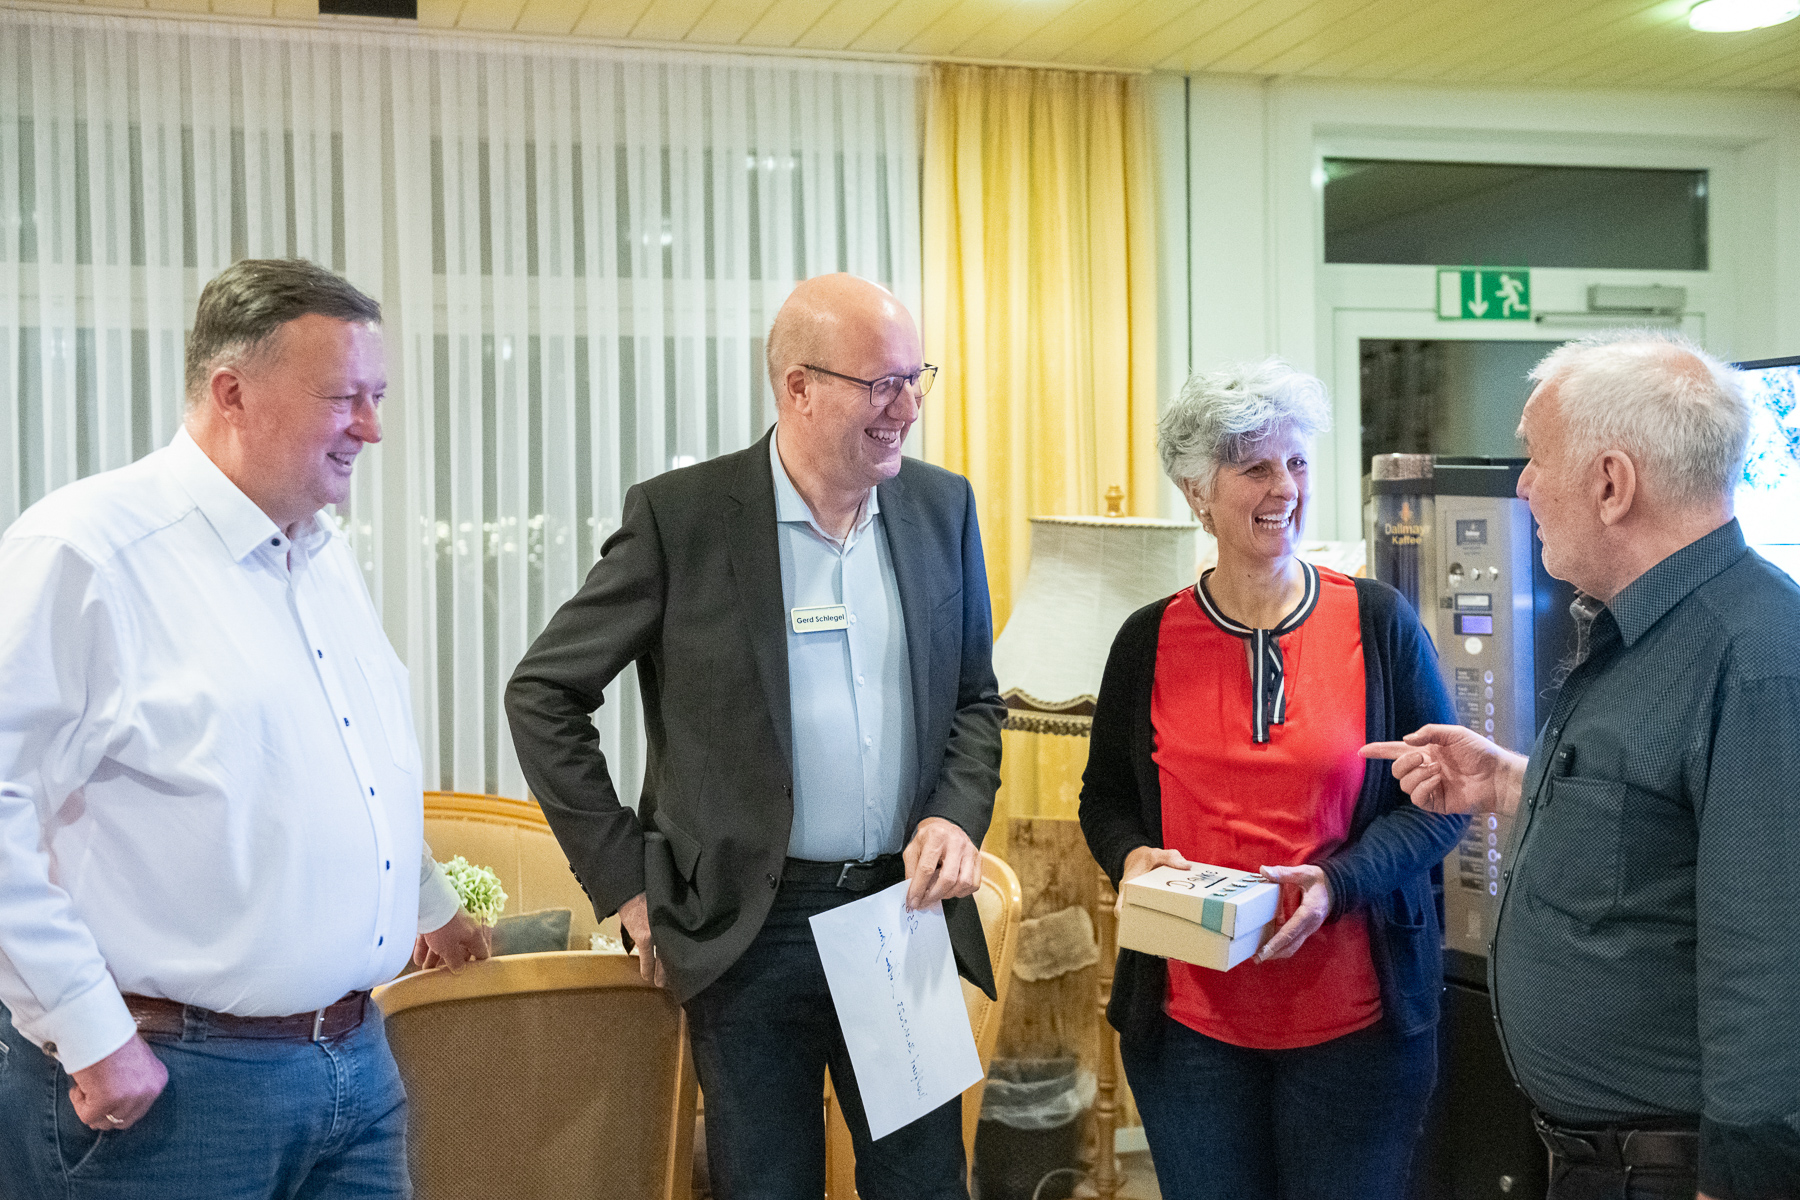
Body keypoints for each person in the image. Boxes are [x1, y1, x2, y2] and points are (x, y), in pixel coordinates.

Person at [504, 272, 1003, 1200]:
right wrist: (626, 882)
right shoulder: (683, 519)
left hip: (899, 913)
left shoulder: (943, 508)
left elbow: (976, 700)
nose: (907, 408)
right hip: (747, 928)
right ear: (798, 387)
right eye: (881, 384)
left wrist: (953, 815)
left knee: (926, 1185)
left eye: (915, 378)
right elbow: (542, 694)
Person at [0, 258, 490, 1200]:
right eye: (344, 397)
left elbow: (343, 759)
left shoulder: (319, 552)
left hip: (356, 1068)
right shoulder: (86, 552)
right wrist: (88, 1030)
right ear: (232, 392)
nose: (372, 427)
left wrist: (427, 901)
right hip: (169, 1085)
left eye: (378, 397)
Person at [1364, 332, 1800, 1200]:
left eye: (1536, 455)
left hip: (1678, 1172)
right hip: (1601, 1160)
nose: (1523, 485)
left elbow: (1772, 962)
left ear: (1611, 484)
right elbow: (1660, 831)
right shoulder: (1642, 627)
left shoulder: (1756, 659)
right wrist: (1507, 782)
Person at [1079, 360, 1468, 1199]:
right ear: (1197, 492)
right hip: (1190, 1034)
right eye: (1254, 467)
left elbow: (1440, 804)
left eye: (1295, 462)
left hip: (1357, 1032)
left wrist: (1338, 882)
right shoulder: (1148, 640)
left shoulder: (1378, 622)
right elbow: (1104, 798)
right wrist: (1132, 856)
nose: (1284, 487)